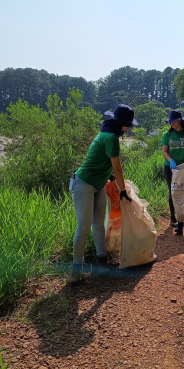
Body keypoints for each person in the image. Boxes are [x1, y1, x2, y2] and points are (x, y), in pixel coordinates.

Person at [69, 104, 137, 285]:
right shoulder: (111, 138)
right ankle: (76, 270)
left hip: (98, 185)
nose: (128, 128)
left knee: (98, 224)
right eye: (128, 125)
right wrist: (123, 190)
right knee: (83, 227)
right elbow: (118, 167)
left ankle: (102, 262)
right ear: (122, 124)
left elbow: (103, 162)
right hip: (83, 184)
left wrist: (110, 176)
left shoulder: (105, 134)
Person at [161, 109, 184, 236]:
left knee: (182, 193)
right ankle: (173, 218)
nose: (171, 124)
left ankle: (180, 223)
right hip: (170, 167)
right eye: (170, 122)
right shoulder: (167, 135)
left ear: (179, 121)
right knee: (173, 192)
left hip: (183, 167)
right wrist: (171, 160)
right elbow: (164, 151)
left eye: (173, 121)